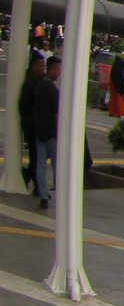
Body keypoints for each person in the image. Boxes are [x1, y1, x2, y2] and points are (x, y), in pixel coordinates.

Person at [18, 54, 58, 208]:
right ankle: (57, 189)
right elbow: (56, 114)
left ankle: (42, 193)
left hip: (38, 131)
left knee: (39, 162)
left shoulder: (37, 86)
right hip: (49, 132)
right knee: (55, 163)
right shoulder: (51, 90)